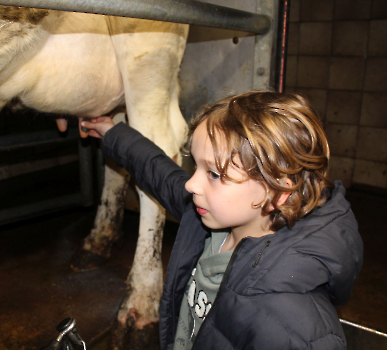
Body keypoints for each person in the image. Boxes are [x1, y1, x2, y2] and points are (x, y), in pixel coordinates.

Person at [81, 91, 364, 350]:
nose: (192, 184)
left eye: (214, 174)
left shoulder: (289, 318)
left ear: (278, 192)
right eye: (195, 166)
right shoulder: (213, 217)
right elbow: (160, 173)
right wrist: (112, 132)